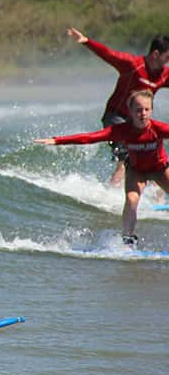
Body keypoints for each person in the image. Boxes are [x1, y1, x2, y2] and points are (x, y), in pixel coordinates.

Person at [34, 90, 169, 247]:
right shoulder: (121, 130)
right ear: (130, 111)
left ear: (151, 110)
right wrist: (57, 140)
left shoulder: (159, 129)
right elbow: (90, 138)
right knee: (132, 200)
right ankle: (128, 238)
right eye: (138, 110)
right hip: (136, 171)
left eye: (146, 109)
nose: (143, 113)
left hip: (159, 169)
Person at [67, 28, 169, 186]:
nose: (167, 62)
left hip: (138, 121)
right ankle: (112, 195)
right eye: (167, 57)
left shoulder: (164, 74)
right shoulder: (132, 65)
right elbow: (109, 54)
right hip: (116, 117)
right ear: (155, 54)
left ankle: (158, 202)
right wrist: (87, 41)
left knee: (155, 159)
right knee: (124, 159)